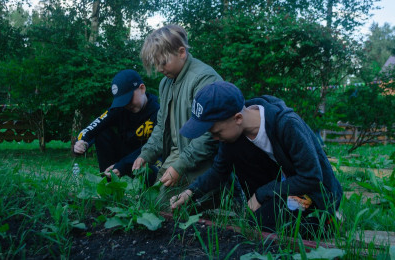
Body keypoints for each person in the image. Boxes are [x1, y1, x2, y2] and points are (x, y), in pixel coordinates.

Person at [171, 81, 343, 233]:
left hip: (314, 192)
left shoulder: (287, 124)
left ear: (238, 118)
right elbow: (219, 170)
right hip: (283, 190)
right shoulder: (233, 135)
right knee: (255, 224)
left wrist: (262, 194)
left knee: (266, 225)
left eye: (216, 132)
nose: (214, 138)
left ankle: (328, 220)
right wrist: (190, 191)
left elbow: (311, 177)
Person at [132, 24, 229, 205]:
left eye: (163, 63)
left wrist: (180, 166)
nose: (159, 69)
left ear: (181, 52)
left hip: (203, 163)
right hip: (176, 157)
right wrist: (146, 154)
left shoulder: (204, 79)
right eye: (155, 64)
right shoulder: (165, 83)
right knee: (151, 205)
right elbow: (161, 125)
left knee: (168, 210)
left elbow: (211, 134)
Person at [74, 69, 160, 182]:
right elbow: (93, 127)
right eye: (122, 100)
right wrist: (82, 141)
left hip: (148, 157)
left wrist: (124, 165)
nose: (126, 104)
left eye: (129, 98)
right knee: (102, 134)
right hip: (123, 157)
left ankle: (142, 191)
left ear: (142, 89)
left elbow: (157, 146)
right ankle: (110, 184)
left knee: (153, 171)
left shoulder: (158, 112)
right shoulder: (120, 108)